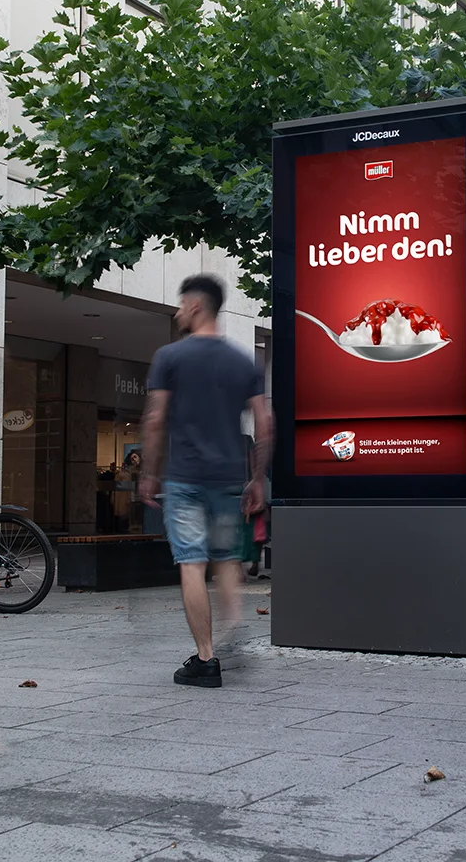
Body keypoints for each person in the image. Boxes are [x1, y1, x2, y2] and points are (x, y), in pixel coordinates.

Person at [139, 274, 272, 689]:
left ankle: (206, 658)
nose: (178, 313)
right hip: (230, 478)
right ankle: (232, 626)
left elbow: (157, 418)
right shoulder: (241, 361)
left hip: (185, 479)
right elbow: (265, 424)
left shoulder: (170, 357)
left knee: (193, 564)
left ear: (196, 306)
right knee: (226, 559)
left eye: (180, 306)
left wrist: (148, 472)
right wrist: (257, 479)